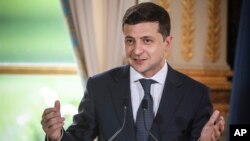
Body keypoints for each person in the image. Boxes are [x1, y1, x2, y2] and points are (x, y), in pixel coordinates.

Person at [41, 2, 225, 141]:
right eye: (130, 41)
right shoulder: (100, 87)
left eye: (146, 41)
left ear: (167, 43)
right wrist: (57, 136)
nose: (136, 51)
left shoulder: (195, 94)